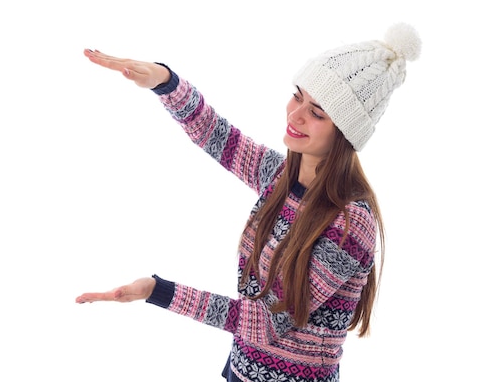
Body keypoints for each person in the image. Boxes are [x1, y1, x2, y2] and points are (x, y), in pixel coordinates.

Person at [76, 23, 421, 382]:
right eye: (297, 95)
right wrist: (166, 82)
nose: (295, 114)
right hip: (241, 371)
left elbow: (263, 323)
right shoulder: (282, 177)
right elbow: (216, 135)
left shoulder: (350, 223)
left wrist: (158, 291)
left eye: (317, 112)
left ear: (347, 131)